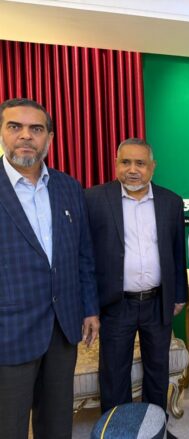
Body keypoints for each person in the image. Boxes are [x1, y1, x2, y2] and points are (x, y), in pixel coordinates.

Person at [0, 98, 100, 439]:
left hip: (63, 328)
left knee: (57, 424)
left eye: (36, 129)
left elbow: (83, 254)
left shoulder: (68, 187)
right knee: (8, 426)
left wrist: (89, 308)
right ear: (3, 133)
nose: (26, 136)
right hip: (9, 332)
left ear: (50, 138)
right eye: (15, 127)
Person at [85, 138, 188, 415]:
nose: (132, 169)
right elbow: (85, 257)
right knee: (114, 373)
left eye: (140, 163)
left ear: (152, 167)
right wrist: (89, 307)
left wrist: (179, 294)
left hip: (157, 302)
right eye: (125, 162)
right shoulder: (93, 200)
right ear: (116, 164)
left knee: (157, 370)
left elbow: (178, 253)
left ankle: (154, 426)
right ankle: (117, 429)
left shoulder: (171, 202)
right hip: (115, 304)